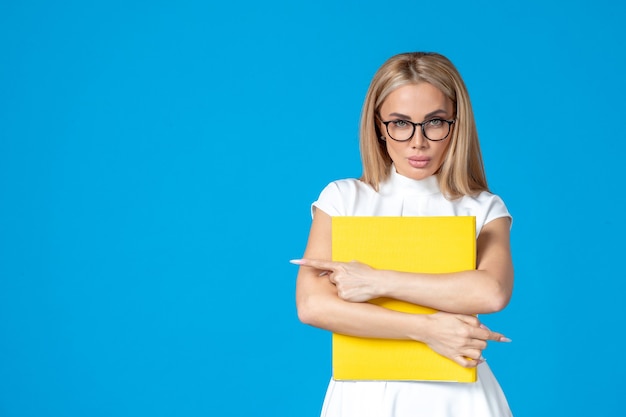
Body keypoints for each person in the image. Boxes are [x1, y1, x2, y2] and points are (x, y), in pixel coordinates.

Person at [291, 52, 514, 417]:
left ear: (457, 125)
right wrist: (427, 328)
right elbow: (313, 305)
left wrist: (376, 282)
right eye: (400, 123)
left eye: (435, 122)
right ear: (379, 126)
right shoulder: (343, 199)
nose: (418, 142)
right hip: (364, 399)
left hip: (459, 399)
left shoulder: (483, 207)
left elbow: (491, 291)